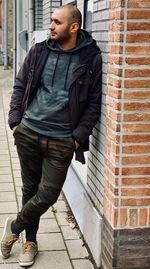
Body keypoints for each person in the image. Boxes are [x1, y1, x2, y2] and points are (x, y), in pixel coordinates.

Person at [0, 4, 102, 267]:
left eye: (57, 22)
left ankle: (15, 225)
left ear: (74, 27)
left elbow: (93, 102)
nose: (51, 26)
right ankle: (30, 242)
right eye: (51, 21)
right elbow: (21, 84)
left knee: (47, 194)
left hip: (62, 139)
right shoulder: (40, 50)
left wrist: (78, 137)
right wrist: (14, 122)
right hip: (29, 132)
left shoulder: (90, 57)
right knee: (29, 189)